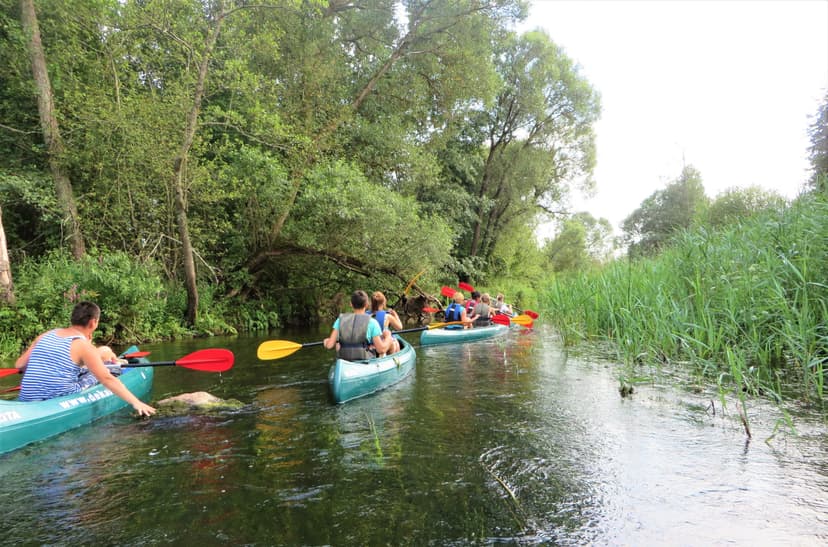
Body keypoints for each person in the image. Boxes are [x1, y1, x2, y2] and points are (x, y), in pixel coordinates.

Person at [15, 301, 156, 417]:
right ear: (93, 322)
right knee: (106, 368)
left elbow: (19, 365)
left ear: (73, 319)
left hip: (27, 396)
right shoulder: (83, 346)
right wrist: (136, 402)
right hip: (58, 396)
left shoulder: (45, 335)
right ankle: (114, 364)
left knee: (83, 368)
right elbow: (106, 379)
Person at [324, 290, 389, 359]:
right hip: (364, 360)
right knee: (388, 339)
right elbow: (381, 350)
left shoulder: (340, 320)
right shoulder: (372, 322)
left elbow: (329, 345)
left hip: (345, 360)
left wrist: (326, 341)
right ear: (367, 304)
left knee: (337, 343)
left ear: (351, 304)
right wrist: (388, 337)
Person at [371, 291, 402, 355]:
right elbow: (400, 327)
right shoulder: (387, 316)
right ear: (383, 303)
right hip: (382, 345)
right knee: (395, 342)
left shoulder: (366, 315)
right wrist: (396, 315)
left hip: (370, 344)